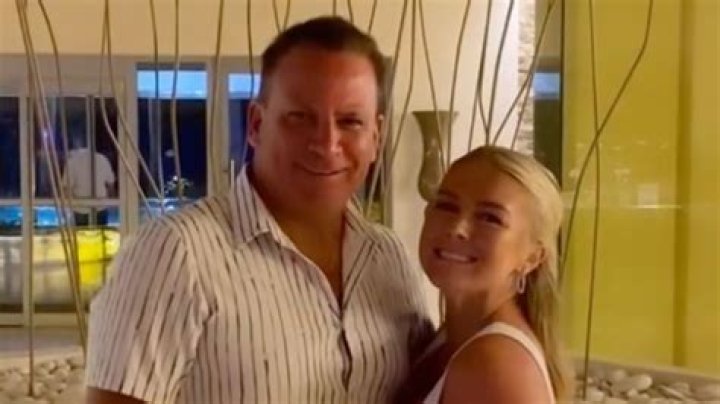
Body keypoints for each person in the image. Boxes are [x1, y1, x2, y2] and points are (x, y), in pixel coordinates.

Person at [85, 16, 432, 404]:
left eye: (350, 121)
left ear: (376, 138)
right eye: (300, 117)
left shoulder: (388, 257)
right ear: (255, 124)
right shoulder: (176, 254)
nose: (326, 144)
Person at [397, 146, 572, 404]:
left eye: (490, 218)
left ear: (533, 257)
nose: (457, 228)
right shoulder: (452, 337)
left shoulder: (497, 366)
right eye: (446, 206)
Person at [63, 132, 116, 227]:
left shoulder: (72, 162)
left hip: (80, 209)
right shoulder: (102, 159)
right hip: (100, 208)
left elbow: (66, 189)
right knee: (100, 234)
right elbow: (111, 185)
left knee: (81, 235)